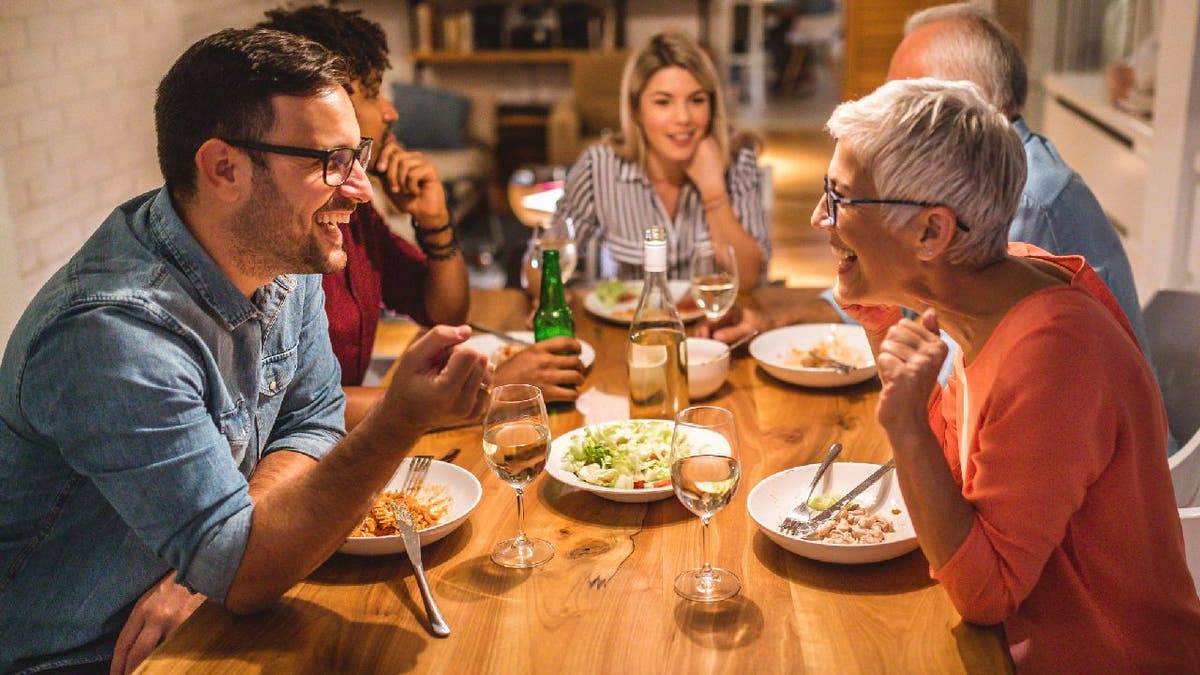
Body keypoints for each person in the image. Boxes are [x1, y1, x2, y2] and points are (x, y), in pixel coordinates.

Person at [0, 29, 491, 673]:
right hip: (88, 657)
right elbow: (245, 573)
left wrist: (208, 567)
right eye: (329, 162)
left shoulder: (283, 255)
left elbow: (310, 420)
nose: (360, 189)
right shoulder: (113, 336)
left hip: (215, 618)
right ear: (224, 168)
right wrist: (400, 420)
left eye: (359, 156)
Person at [817, 77, 1200, 671]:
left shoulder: (1055, 353)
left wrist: (905, 427)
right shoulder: (1007, 283)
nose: (821, 217)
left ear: (931, 232)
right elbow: (959, 477)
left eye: (840, 197)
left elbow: (988, 595)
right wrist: (884, 331)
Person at [702, 4, 1153, 364]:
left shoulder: (1023, 198)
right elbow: (908, 287)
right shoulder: (976, 182)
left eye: (906, 100)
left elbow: (955, 370)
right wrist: (780, 320)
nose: (885, 113)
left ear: (964, 106)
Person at [258, 5, 584, 415]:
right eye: (374, 92)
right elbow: (296, 411)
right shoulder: (275, 229)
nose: (391, 112)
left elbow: (442, 310)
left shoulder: (351, 210)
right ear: (325, 99)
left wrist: (435, 221)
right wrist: (490, 391)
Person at [549, 31, 770, 290]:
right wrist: (550, 292)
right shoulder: (597, 166)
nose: (683, 118)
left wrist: (713, 191)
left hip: (710, 325)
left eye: (697, 100)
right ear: (636, 110)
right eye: (663, 102)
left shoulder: (737, 162)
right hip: (628, 323)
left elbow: (747, 279)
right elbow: (543, 267)